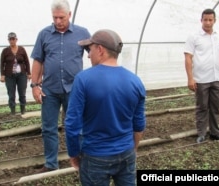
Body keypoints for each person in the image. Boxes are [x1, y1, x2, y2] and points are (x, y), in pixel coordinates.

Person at [65, 29, 146, 186]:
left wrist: (73, 153)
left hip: (95, 156)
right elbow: (139, 124)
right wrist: (132, 149)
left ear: (100, 49)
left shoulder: (83, 79)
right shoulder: (135, 81)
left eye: (90, 49)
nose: (88, 55)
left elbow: (72, 123)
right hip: (126, 153)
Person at [30, 0, 90, 173]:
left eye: (61, 17)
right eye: (55, 17)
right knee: (48, 127)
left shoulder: (82, 33)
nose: (58, 21)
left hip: (74, 89)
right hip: (50, 89)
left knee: (76, 126)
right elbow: (38, 60)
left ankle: (81, 160)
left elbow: (94, 54)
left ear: (69, 15)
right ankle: (51, 163)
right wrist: (34, 85)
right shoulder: (44, 34)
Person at [184, 8, 219, 143]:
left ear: (214, 20)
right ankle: (201, 133)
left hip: (216, 78)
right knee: (202, 107)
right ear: (201, 20)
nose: (208, 23)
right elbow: (188, 57)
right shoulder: (194, 37)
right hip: (201, 79)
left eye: (210, 20)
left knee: (215, 107)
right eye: (205, 20)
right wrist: (190, 78)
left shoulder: (218, 36)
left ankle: (215, 132)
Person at [0, 32, 31, 115]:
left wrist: (28, 73)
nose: (12, 41)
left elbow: (27, 62)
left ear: (16, 39)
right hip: (9, 75)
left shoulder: (21, 49)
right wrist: (2, 75)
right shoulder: (5, 51)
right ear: (8, 40)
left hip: (21, 75)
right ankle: (13, 111)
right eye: (10, 39)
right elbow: (2, 63)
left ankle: (23, 110)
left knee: (22, 93)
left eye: (13, 39)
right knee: (11, 93)